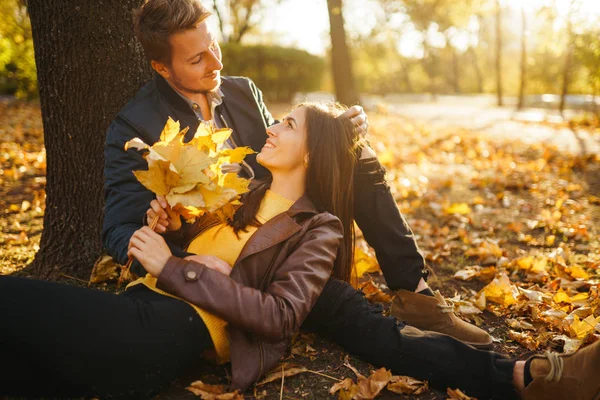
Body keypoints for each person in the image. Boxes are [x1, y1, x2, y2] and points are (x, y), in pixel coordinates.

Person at [3, 103, 599, 400]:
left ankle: (526, 376)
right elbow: (183, 253)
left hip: (172, 325)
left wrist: (177, 266)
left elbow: (283, 314)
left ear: (311, 154)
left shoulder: (318, 229)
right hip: (142, 310)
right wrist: (168, 231)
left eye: (287, 123)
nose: (270, 126)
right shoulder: (236, 193)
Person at [102, 0, 491, 352]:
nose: (217, 63)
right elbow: (117, 229)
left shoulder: (241, 91)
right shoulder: (136, 125)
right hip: (230, 253)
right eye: (198, 59)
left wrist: (338, 133)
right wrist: (187, 263)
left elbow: (286, 146)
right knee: (345, 312)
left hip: (289, 222)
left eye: (215, 46)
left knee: (357, 153)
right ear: (161, 67)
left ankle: (416, 294)